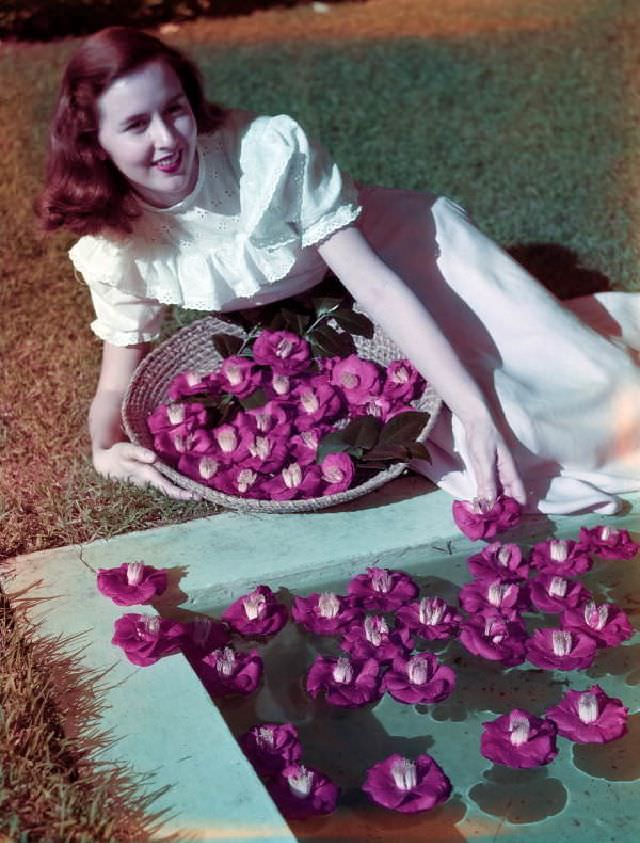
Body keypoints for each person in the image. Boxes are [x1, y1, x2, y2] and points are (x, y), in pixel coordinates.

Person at [36, 26, 640, 514]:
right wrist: (103, 447)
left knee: (548, 418)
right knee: (441, 431)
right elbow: (119, 378)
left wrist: (478, 411)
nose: (168, 138)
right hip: (320, 311)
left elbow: (377, 286)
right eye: (137, 125)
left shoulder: (268, 153)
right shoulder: (116, 239)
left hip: (400, 257)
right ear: (96, 140)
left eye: (175, 110)